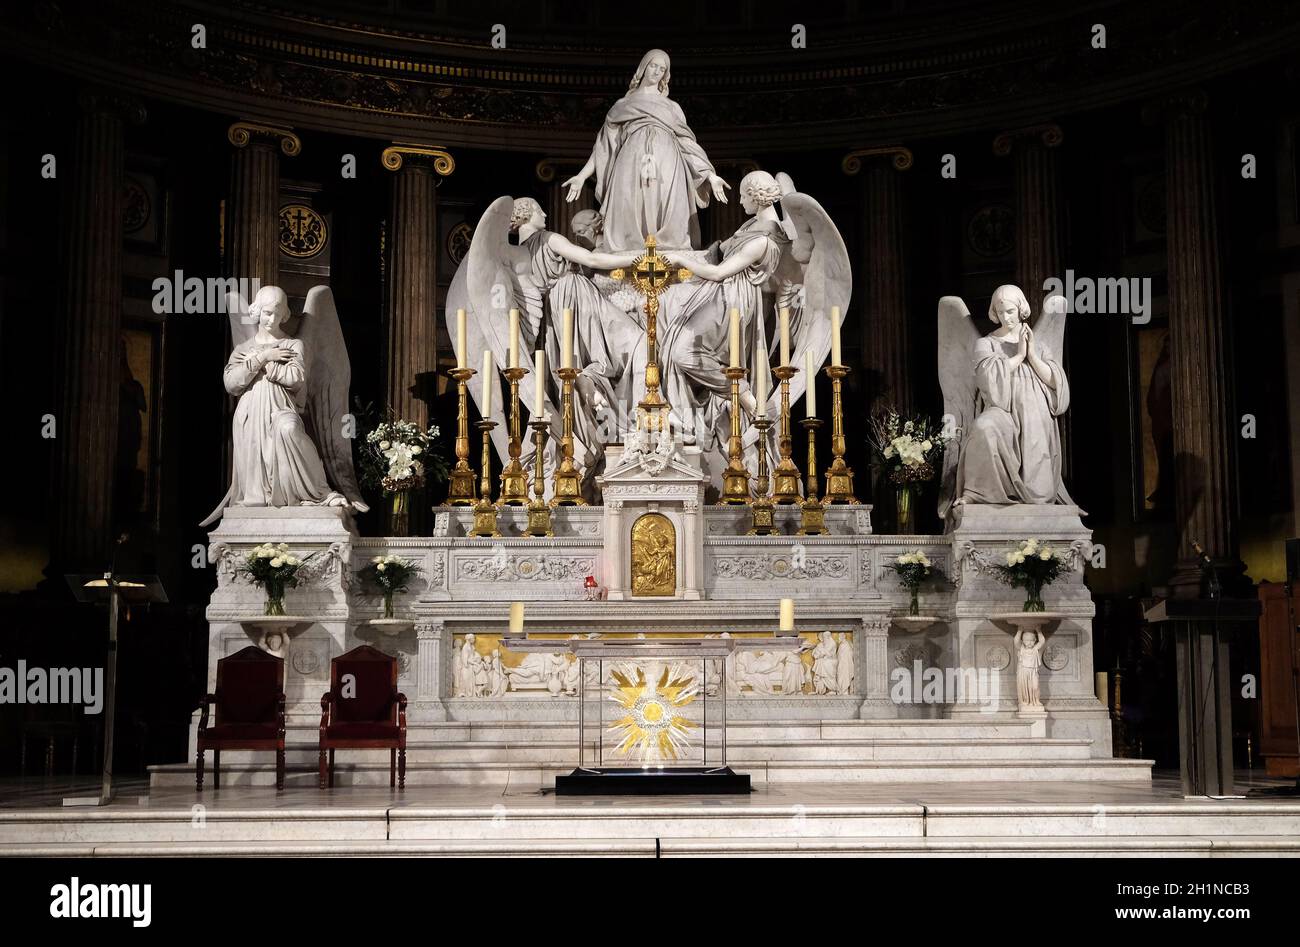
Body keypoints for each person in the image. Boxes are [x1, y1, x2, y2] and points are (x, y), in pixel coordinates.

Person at [562, 49, 728, 252]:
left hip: (668, 162)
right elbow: (603, 148)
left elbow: (688, 144)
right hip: (630, 161)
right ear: (643, 67)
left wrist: (710, 175)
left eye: (662, 68)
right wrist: (581, 176)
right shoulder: (622, 105)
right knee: (628, 204)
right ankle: (628, 252)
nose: (657, 71)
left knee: (668, 206)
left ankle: (669, 255)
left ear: (666, 75)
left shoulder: (672, 107)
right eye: (653, 65)